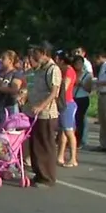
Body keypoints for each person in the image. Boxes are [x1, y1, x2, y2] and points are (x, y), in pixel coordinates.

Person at [26, 43, 61, 186]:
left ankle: (48, 177)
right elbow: (32, 87)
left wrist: (41, 106)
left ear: (44, 52)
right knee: (35, 145)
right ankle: (39, 173)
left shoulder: (53, 69)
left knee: (46, 145)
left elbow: (54, 92)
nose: (33, 57)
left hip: (46, 114)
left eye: (36, 53)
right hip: (34, 113)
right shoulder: (39, 70)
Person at [56, 51, 78, 167]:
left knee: (69, 131)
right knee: (62, 131)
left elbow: (64, 87)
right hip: (63, 103)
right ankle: (60, 156)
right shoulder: (64, 71)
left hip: (67, 103)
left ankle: (73, 158)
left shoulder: (69, 71)